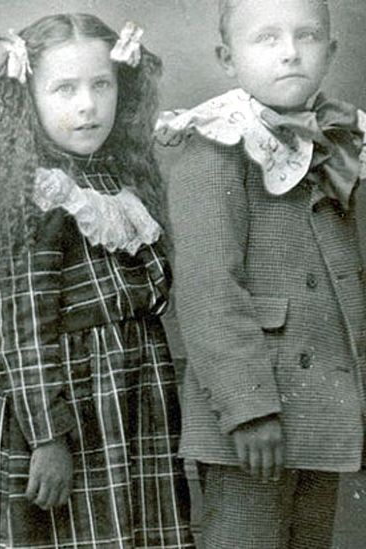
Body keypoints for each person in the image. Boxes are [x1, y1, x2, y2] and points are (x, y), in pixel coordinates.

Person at [0, 13, 193, 548]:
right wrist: (47, 437)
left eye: (101, 85)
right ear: (28, 97)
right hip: (71, 403)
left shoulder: (122, 178)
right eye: (65, 89)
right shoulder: (39, 191)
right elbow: (21, 331)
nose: (87, 105)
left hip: (133, 392)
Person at [158, 0, 366, 547]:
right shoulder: (214, 150)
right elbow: (209, 296)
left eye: (308, 36)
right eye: (266, 38)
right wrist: (248, 408)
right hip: (250, 412)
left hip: (321, 405)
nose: (291, 52)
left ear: (332, 51)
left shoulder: (337, 144)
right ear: (229, 57)